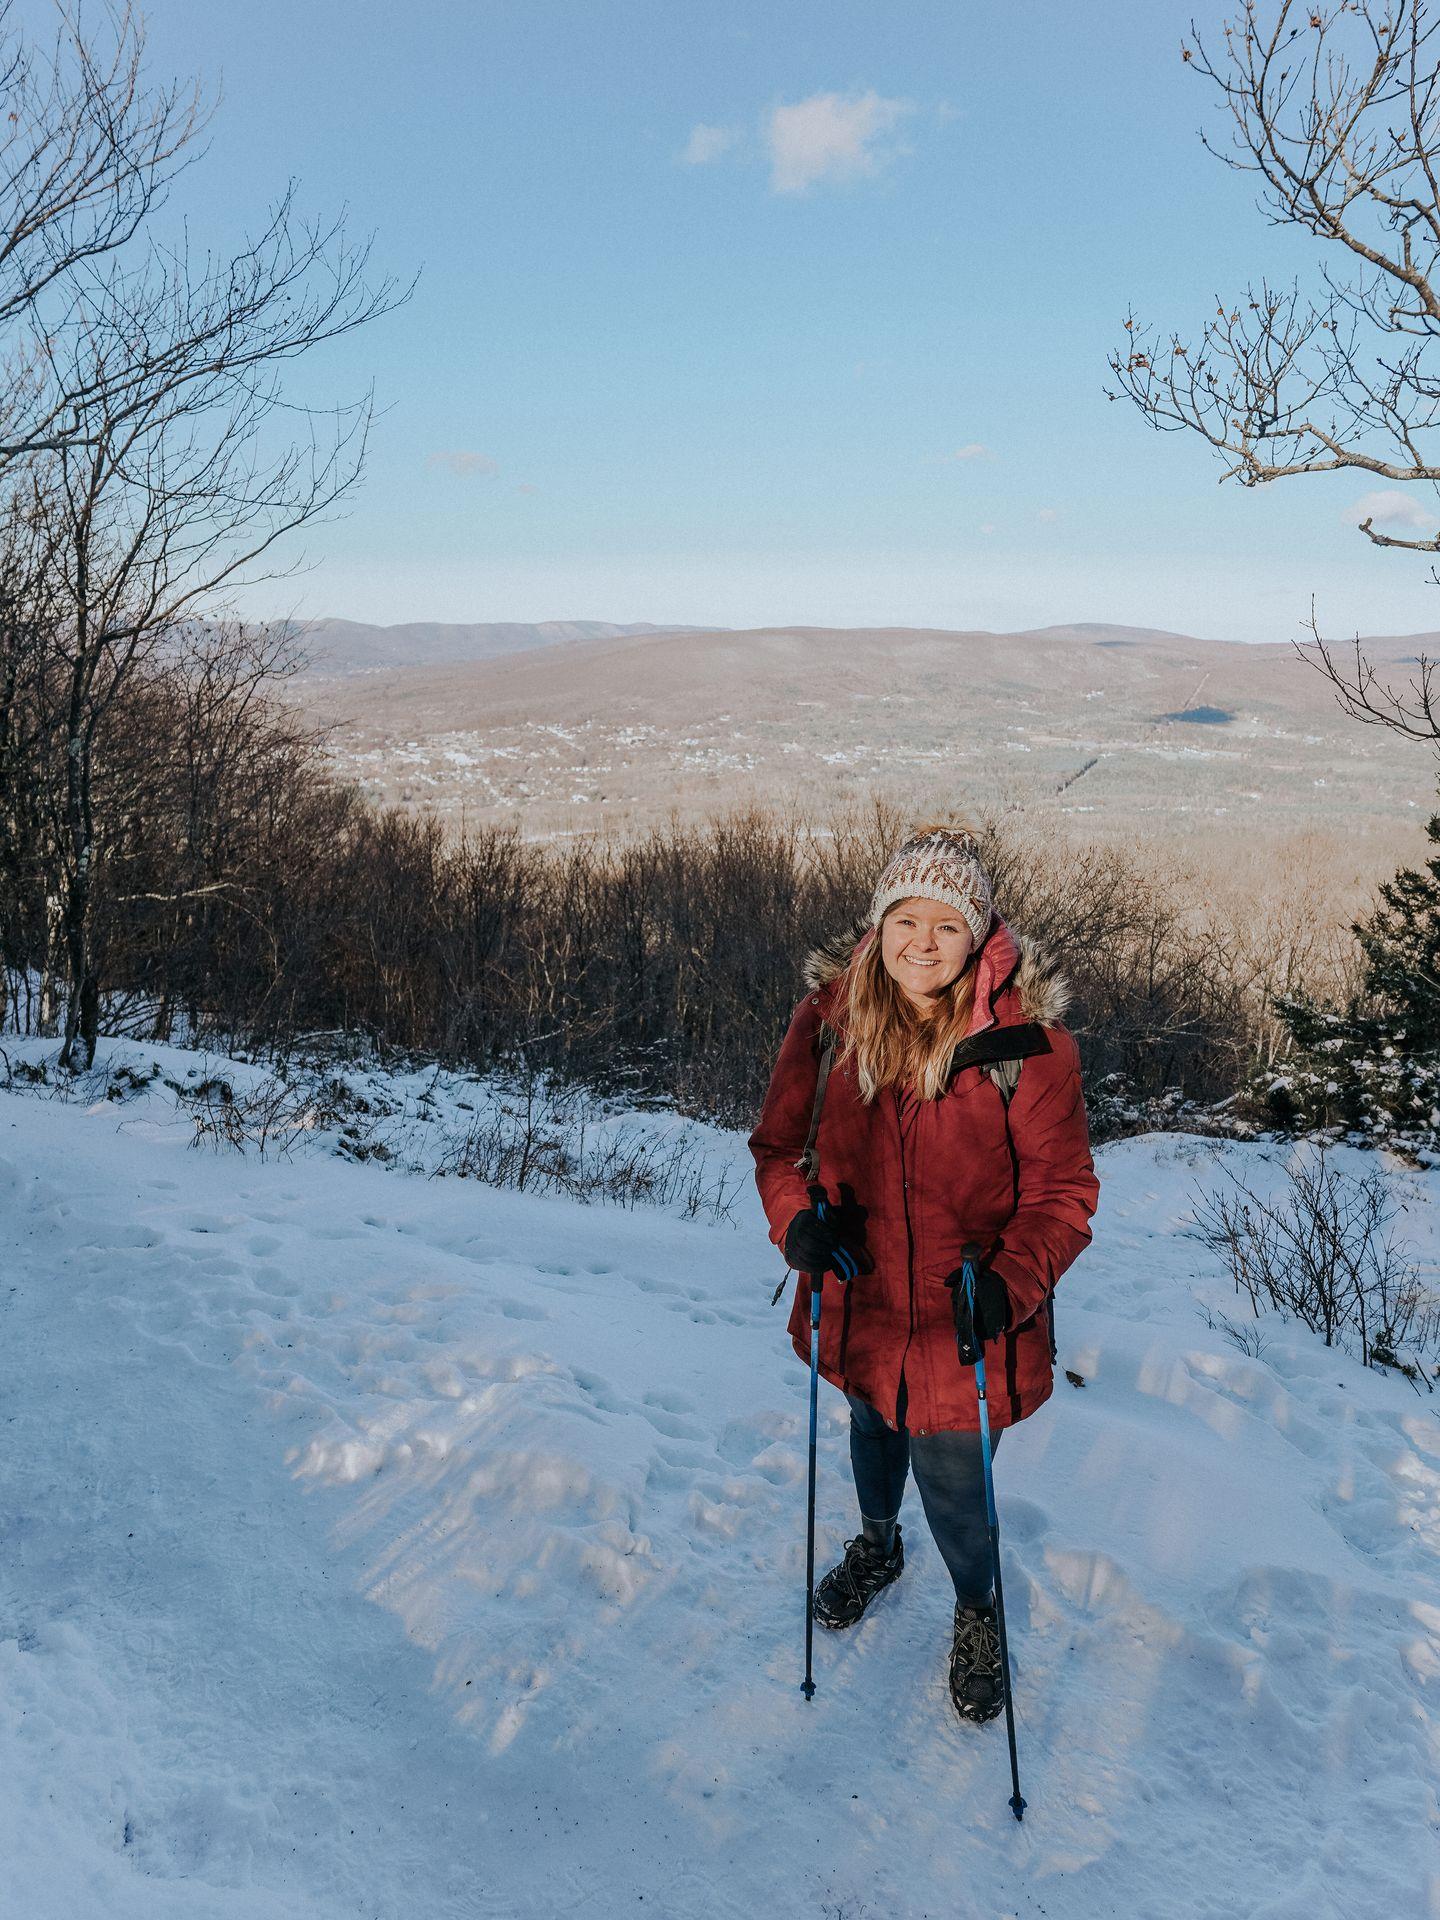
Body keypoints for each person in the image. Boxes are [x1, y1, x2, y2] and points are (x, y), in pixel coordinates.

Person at [748, 822, 1100, 1723]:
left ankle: (978, 1608)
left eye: (947, 924)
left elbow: (1063, 1195)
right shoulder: (829, 1023)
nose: (923, 943)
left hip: (964, 1319)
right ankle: (876, 1545)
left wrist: (1009, 1285)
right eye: (907, 918)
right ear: (880, 924)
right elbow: (779, 1147)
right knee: (871, 1432)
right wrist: (797, 1226)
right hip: (860, 1298)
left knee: (954, 1477)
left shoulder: (1029, 1048)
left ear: (978, 935)